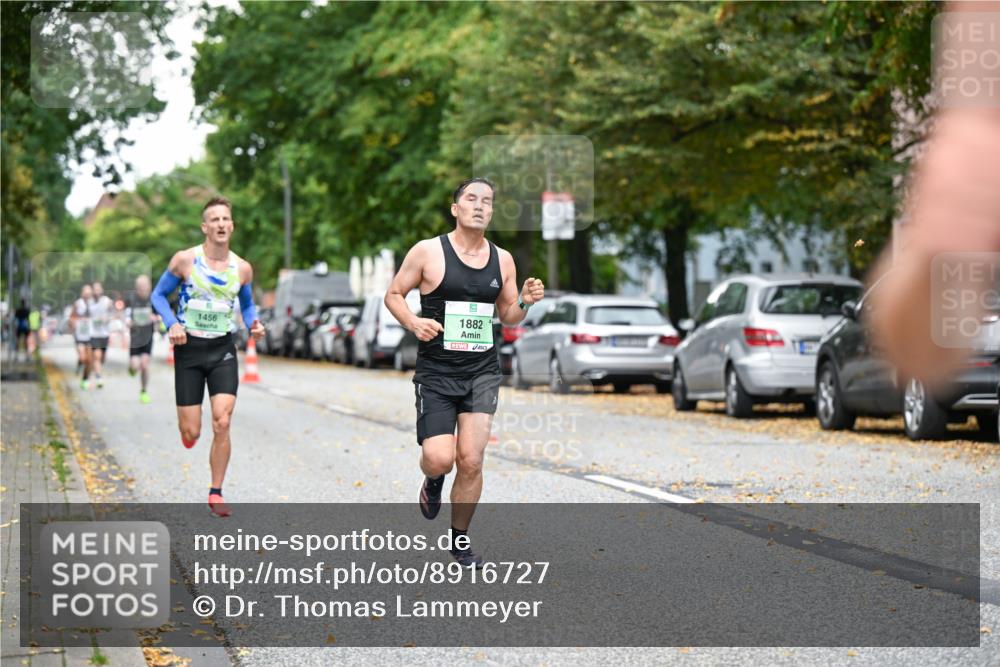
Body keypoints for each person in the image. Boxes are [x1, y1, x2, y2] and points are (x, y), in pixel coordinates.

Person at [385, 178, 545, 567]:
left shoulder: (502, 259)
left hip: (481, 372)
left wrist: (524, 300)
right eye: (471, 199)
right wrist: (414, 322)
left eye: (487, 201)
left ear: (491, 211)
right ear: (455, 208)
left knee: (471, 460)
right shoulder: (428, 252)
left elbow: (508, 315)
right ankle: (434, 480)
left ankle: (459, 541)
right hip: (437, 373)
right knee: (441, 458)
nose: (479, 206)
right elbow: (393, 294)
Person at [151, 196, 265, 517]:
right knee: (191, 432)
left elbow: (247, 304)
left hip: (222, 350)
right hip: (188, 350)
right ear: (205, 227)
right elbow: (158, 295)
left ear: (232, 226)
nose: (220, 224)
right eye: (214, 219)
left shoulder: (241, 268)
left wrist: (254, 323)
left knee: (222, 420)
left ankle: (216, 491)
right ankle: (189, 434)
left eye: (225, 219)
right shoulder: (185, 261)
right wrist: (172, 323)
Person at [126, 275, 159, 404]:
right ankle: (132, 369)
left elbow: (160, 315)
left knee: (145, 365)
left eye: (145, 287)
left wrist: (155, 318)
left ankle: (144, 391)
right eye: (140, 287)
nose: (143, 290)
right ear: (136, 288)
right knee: (135, 365)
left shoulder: (154, 299)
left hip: (147, 337)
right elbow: (126, 315)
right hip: (135, 338)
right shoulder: (131, 299)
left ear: (149, 287)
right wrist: (129, 322)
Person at [88, 281, 114, 389]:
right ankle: (98, 377)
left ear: (102, 290)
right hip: (93, 333)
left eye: (98, 289)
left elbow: (114, 313)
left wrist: (108, 318)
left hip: (104, 333)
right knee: (97, 356)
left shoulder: (107, 301)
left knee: (102, 358)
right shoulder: (88, 303)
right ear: (92, 291)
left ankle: (97, 369)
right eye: (95, 289)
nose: (96, 291)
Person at [71, 285, 93, 387]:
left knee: (89, 360)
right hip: (79, 335)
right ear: (82, 293)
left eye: (89, 293)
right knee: (83, 357)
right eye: (86, 293)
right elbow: (72, 317)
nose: (87, 295)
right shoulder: (77, 304)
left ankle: (85, 378)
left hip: (91, 336)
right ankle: (80, 362)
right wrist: (73, 323)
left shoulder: (94, 304)